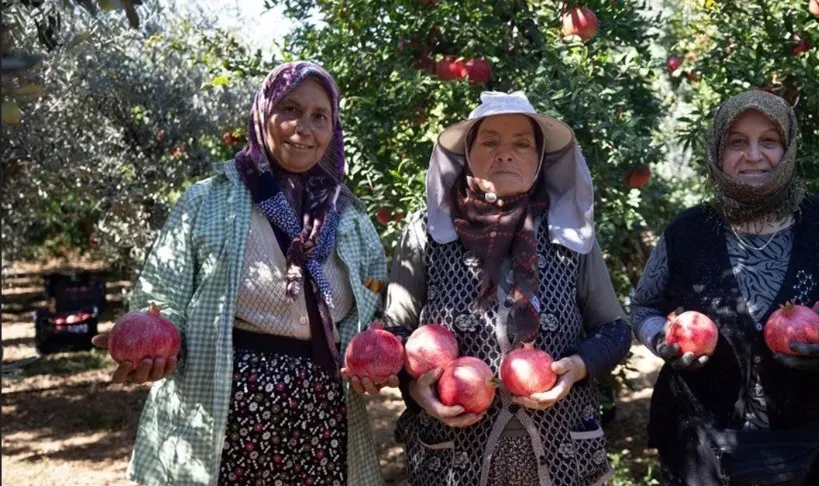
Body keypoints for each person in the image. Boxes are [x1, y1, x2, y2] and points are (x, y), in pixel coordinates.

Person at [91, 61, 386, 486]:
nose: (304, 128)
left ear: (333, 127)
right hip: (223, 414)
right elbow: (162, 295)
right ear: (263, 112)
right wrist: (152, 340)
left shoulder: (349, 217)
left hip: (321, 420)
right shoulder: (207, 202)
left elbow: (374, 296)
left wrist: (376, 353)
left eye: (319, 116)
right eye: (290, 109)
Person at [630, 90, 819, 486]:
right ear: (718, 152)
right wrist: (661, 340)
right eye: (737, 142)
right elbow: (643, 307)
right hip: (704, 450)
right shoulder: (685, 233)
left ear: (789, 149)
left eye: (769, 140)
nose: (753, 155)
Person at [382, 91, 632, 486]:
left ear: (540, 158)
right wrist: (416, 390)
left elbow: (615, 329)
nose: (505, 155)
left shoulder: (569, 232)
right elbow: (395, 334)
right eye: (489, 142)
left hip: (562, 456)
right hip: (452, 460)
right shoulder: (428, 231)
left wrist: (577, 367)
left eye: (522, 144)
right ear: (467, 153)